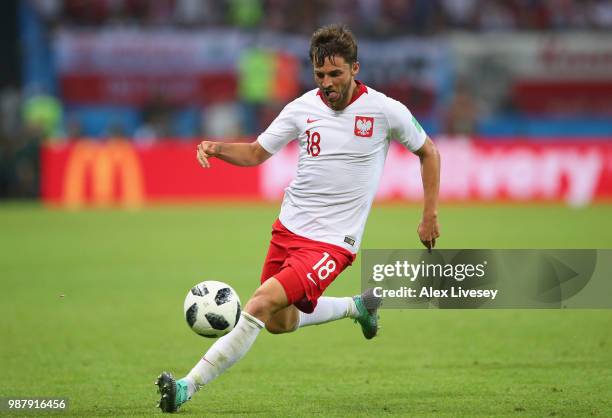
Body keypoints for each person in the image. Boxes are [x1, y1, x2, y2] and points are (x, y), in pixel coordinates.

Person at [155, 24, 441, 413]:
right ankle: (357, 306)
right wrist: (217, 147)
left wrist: (429, 215)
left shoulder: (385, 110)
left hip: (332, 243)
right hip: (288, 229)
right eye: (320, 75)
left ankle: (187, 386)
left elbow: (430, 152)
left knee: (257, 304)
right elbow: (257, 153)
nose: (327, 83)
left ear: (355, 68)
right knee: (279, 321)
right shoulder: (301, 109)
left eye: (335, 74)